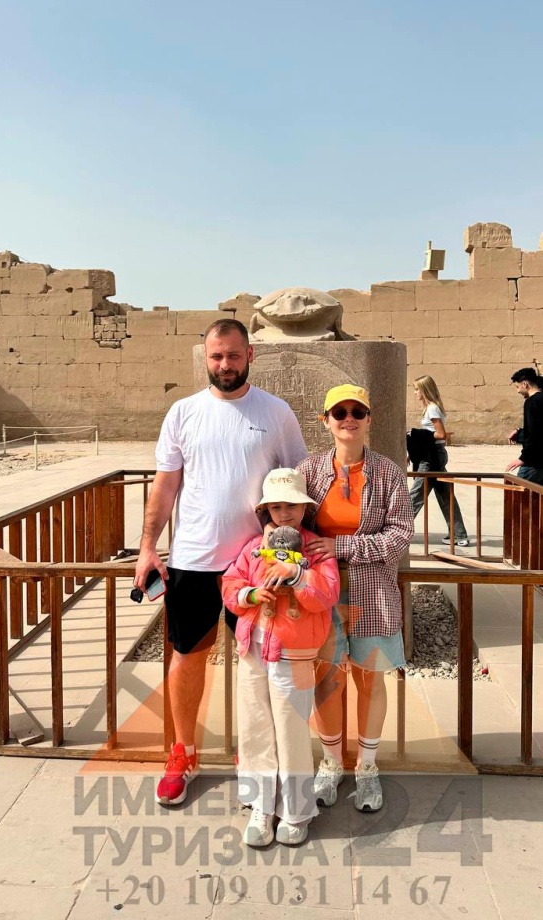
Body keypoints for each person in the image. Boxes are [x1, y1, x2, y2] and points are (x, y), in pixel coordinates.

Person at [133, 318, 307, 806]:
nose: (224, 365)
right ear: (206, 358)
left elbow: (295, 481)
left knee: (257, 661)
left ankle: (255, 757)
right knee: (188, 655)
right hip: (193, 558)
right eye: (216, 356)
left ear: (250, 355)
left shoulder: (276, 412)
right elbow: (166, 484)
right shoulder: (183, 412)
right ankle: (183, 753)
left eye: (233, 355)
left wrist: (295, 541)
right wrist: (148, 546)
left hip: (255, 563)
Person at [297, 384, 414, 812]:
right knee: (327, 679)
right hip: (322, 593)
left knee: (369, 677)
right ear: (326, 420)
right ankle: (331, 762)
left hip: (373, 591)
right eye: (340, 412)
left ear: (369, 419)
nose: (349, 419)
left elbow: (400, 534)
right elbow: (293, 522)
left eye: (357, 412)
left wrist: (342, 546)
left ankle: (366, 766)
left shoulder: (388, 473)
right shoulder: (309, 470)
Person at [222, 468, 340, 847]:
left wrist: (297, 575)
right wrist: (250, 595)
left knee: (290, 730)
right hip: (253, 649)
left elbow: (327, 594)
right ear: (266, 510)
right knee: (255, 726)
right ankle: (261, 805)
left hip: (294, 653)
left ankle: (296, 810)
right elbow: (231, 583)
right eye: (276, 506)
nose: (284, 513)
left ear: (305, 509)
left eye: (291, 505)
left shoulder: (315, 550)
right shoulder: (253, 548)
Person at [409, 375, 470, 547]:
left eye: (417, 389)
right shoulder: (431, 408)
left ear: (425, 390)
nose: (415, 393)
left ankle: (397, 531)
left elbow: (441, 434)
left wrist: (416, 435)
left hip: (432, 457)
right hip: (432, 454)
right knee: (445, 495)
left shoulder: (432, 409)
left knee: (416, 494)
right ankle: (459, 534)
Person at [506, 367, 543, 485]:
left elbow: (534, 434)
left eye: (517, 387)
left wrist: (523, 458)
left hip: (534, 462)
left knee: (518, 492)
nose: (518, 391)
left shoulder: (532, 402)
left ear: (525, 384)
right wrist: (519, 432)